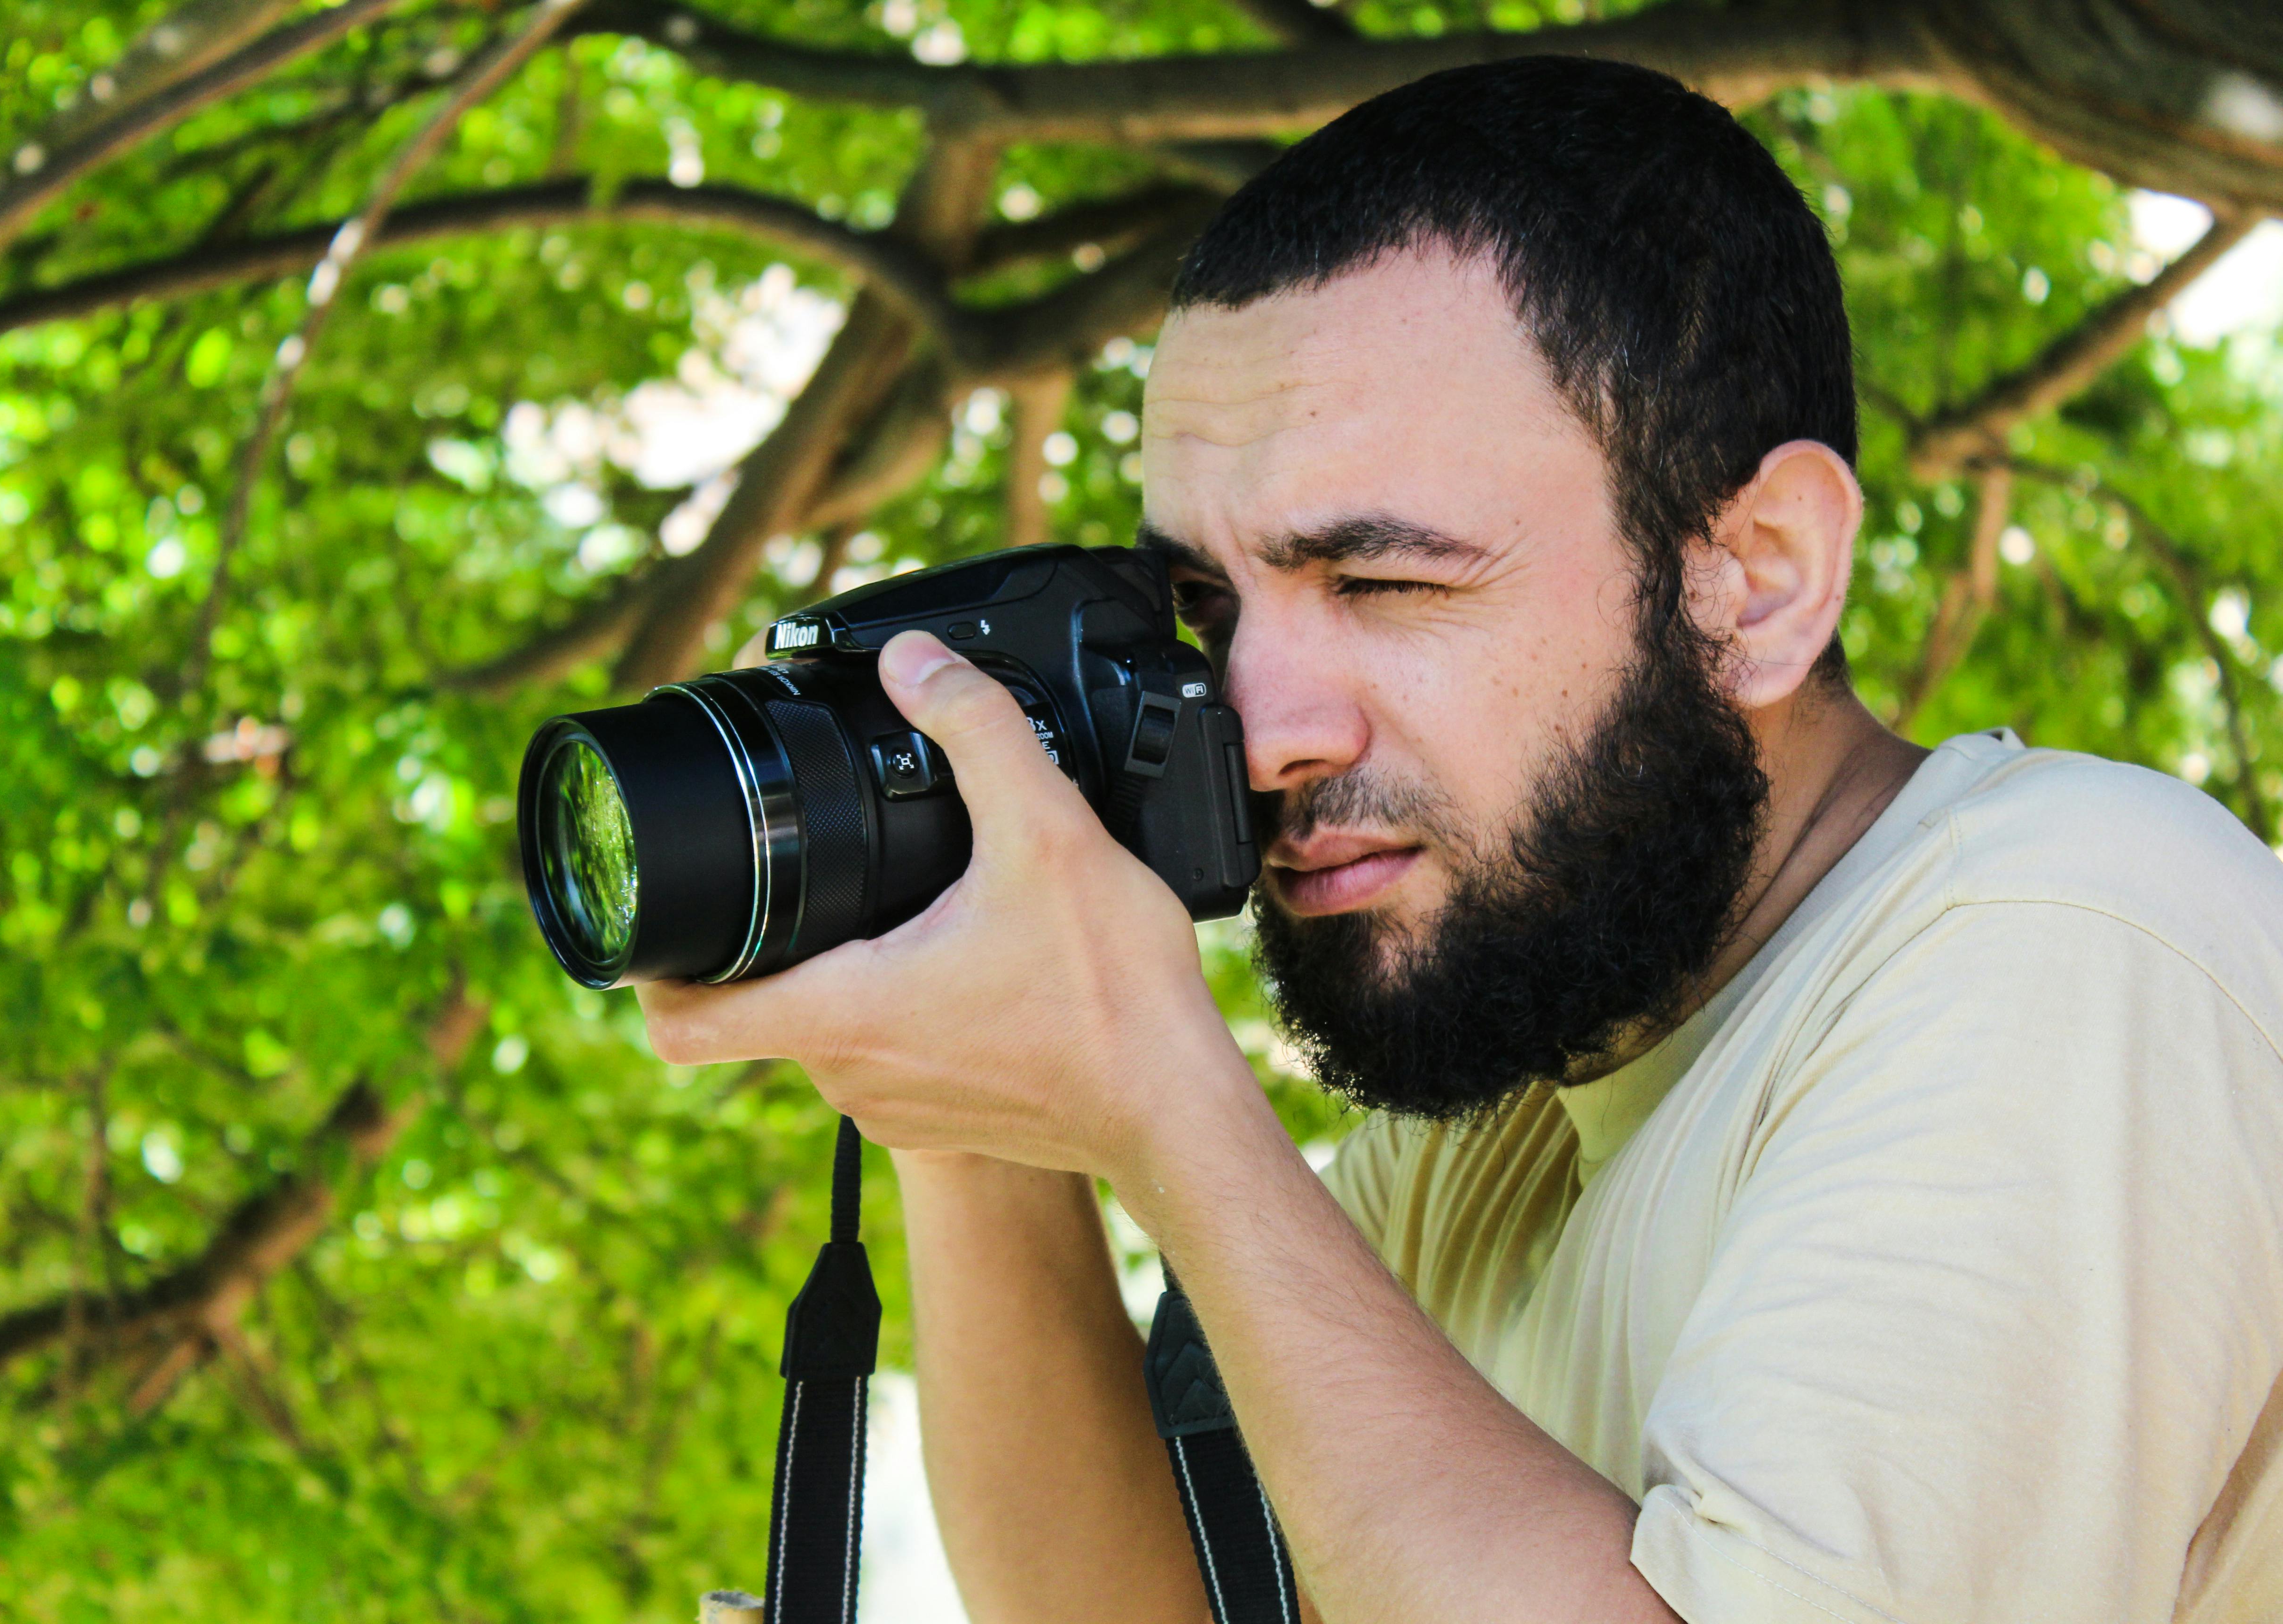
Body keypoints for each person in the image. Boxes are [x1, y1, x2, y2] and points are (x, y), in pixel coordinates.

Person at [640, 57, 2283, 1624]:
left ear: (1759, 577)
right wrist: (967, 1109)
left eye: (1385, 583)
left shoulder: (2069, 933)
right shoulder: (1488, 1143)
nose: (1263, 725)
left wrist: (1166, 1099)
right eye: (1207, 605)